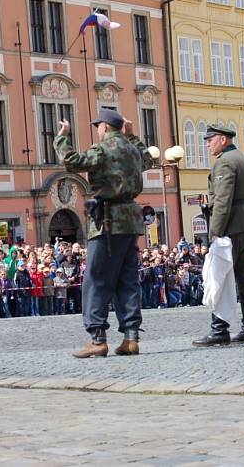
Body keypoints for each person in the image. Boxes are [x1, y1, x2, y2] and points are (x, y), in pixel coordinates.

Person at [53, 108, 155, 358]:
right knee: (127, 279)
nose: (98, 130)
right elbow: (148, 159)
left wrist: (62, 137)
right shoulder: (132, 149)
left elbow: (73, 162)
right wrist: (132, 136)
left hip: (107, 221)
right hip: (131, 221)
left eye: (98, 126)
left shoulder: (102, 148)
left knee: (96, 279)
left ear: (105, 127)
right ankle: (131, 337)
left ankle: (97, 337)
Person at [193, 125, 244, 347]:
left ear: (223, 139)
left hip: (231, 225)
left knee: (219, 275)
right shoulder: (241, 158)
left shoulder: (225, 162)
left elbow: (222, 201)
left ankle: (219, 330)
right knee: (243, 275)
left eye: (210, 139)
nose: (207, 143)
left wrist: (215, 232)